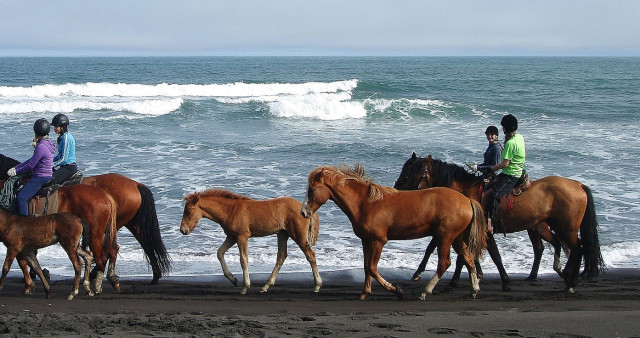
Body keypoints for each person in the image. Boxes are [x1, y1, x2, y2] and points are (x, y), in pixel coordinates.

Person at [6, 119, 56, 216]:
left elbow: (30, 165)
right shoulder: (47, 143)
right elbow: (31, 160)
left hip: (40, 177)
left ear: (36, 132)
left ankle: (24, 222)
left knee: (21, 197)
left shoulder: (41, 146)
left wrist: (16, 172)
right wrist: (16, 168)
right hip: (45, 174)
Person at [486, 114, 525, 233]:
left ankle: (490, 223)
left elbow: (505, 164)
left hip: (511, 174)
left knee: (495, 195)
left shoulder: (510, 144)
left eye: (503, 128)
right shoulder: (519, 137)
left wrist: (491, 169)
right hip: (519, 169)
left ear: (506, 129)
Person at [50, 113, 77, 184]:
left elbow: (64, 159)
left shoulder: (66, 138)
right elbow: (59, 156)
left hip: (69, 167)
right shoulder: (62, 137)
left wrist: (52, 165)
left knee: (50, 181)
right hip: (64, 166)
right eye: (54, 126)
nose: (55, 128)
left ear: (63, 127)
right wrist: (49, 160)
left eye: (56, 126)